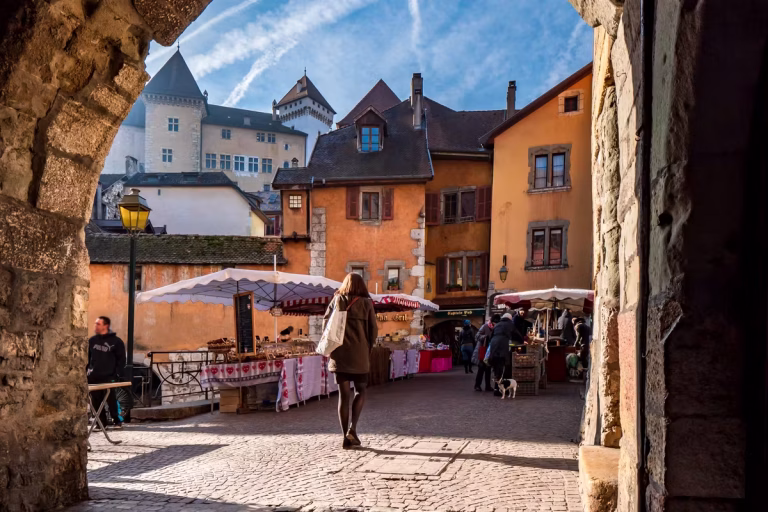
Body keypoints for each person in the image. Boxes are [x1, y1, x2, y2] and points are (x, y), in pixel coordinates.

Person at [323, 272, 378, 449]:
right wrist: (367, 348)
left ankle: (344, 437)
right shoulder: (367, 303)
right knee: (361, 391)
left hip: (339, 355)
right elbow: (373, 331)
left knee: (343, 396)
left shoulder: (336, 300)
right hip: (360, 354)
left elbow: (325, 325)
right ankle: (353, 429)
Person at [87, 316, 126, 428]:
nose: (96, 326)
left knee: (111, 399)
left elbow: (121, 360)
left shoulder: (116, 342)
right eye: (95, 323)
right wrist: (87, 372)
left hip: (109, 376)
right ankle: (101, 423)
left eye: (98, 324)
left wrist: (118, 373)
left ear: (106, 326)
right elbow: (87, 358)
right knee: (95, 401)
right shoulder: (92, 341)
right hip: (94, 376)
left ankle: (117, 421)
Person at [487, 312, 517, 396]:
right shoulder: (510, 324)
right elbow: (517, 334)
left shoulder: (497, 325)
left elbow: (490, 336)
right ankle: (503, 389)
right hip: (503, 347)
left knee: (497, 369)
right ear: (510, 319)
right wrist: (522, 340)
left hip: (494, 346)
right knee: (504, 369)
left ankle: (496, 389)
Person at [473, 314, 500, 391]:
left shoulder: (497, 328)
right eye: (494, 323)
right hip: (483, 349)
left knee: (488, 368)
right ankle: (477, 385)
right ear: (491, 321)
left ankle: (488, 386)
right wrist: (485, 337)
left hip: (490, 351)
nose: (495, 325)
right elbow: (477, 336)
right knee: (481, 368)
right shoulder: (485, 326)